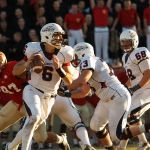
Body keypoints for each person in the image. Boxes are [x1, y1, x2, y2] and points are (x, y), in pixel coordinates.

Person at [6, 23, 94, 150]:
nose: (60, 39)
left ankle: (10, 147)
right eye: (56, 36)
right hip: (32, 90)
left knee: (32, 125)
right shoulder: (33, 49)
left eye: (60, 36)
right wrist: (27, 63)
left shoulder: (65, 53)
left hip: (50, 96)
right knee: (34, 118)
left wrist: (59, 69)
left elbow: (69, 82)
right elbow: (15, 71)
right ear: (47, 36)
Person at [69, 42, 150, 149]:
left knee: (117, 136)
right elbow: (83, 92)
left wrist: (67, 87)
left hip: (117, 97)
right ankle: (110, 148)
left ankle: (147, 127)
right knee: (95, 125)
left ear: (81, 52)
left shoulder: (87, 59)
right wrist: (67, 94)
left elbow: (82, 80)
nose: (74, 59)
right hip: (106, 99)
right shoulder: (91, 62)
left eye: (75, 55)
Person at [117, 29, 150, 150]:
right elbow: (133, 78)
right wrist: (122, 88)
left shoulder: (140, 52)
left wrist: (135, 88)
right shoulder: (125, 57)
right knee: (125, 116)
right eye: (123, 42)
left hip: (147, 90)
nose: (125, 45)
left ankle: (143, 142)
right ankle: (123, 147)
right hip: (139, 91)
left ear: (134, 41)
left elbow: (148, 73)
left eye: (127, 42)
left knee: (131, 114)